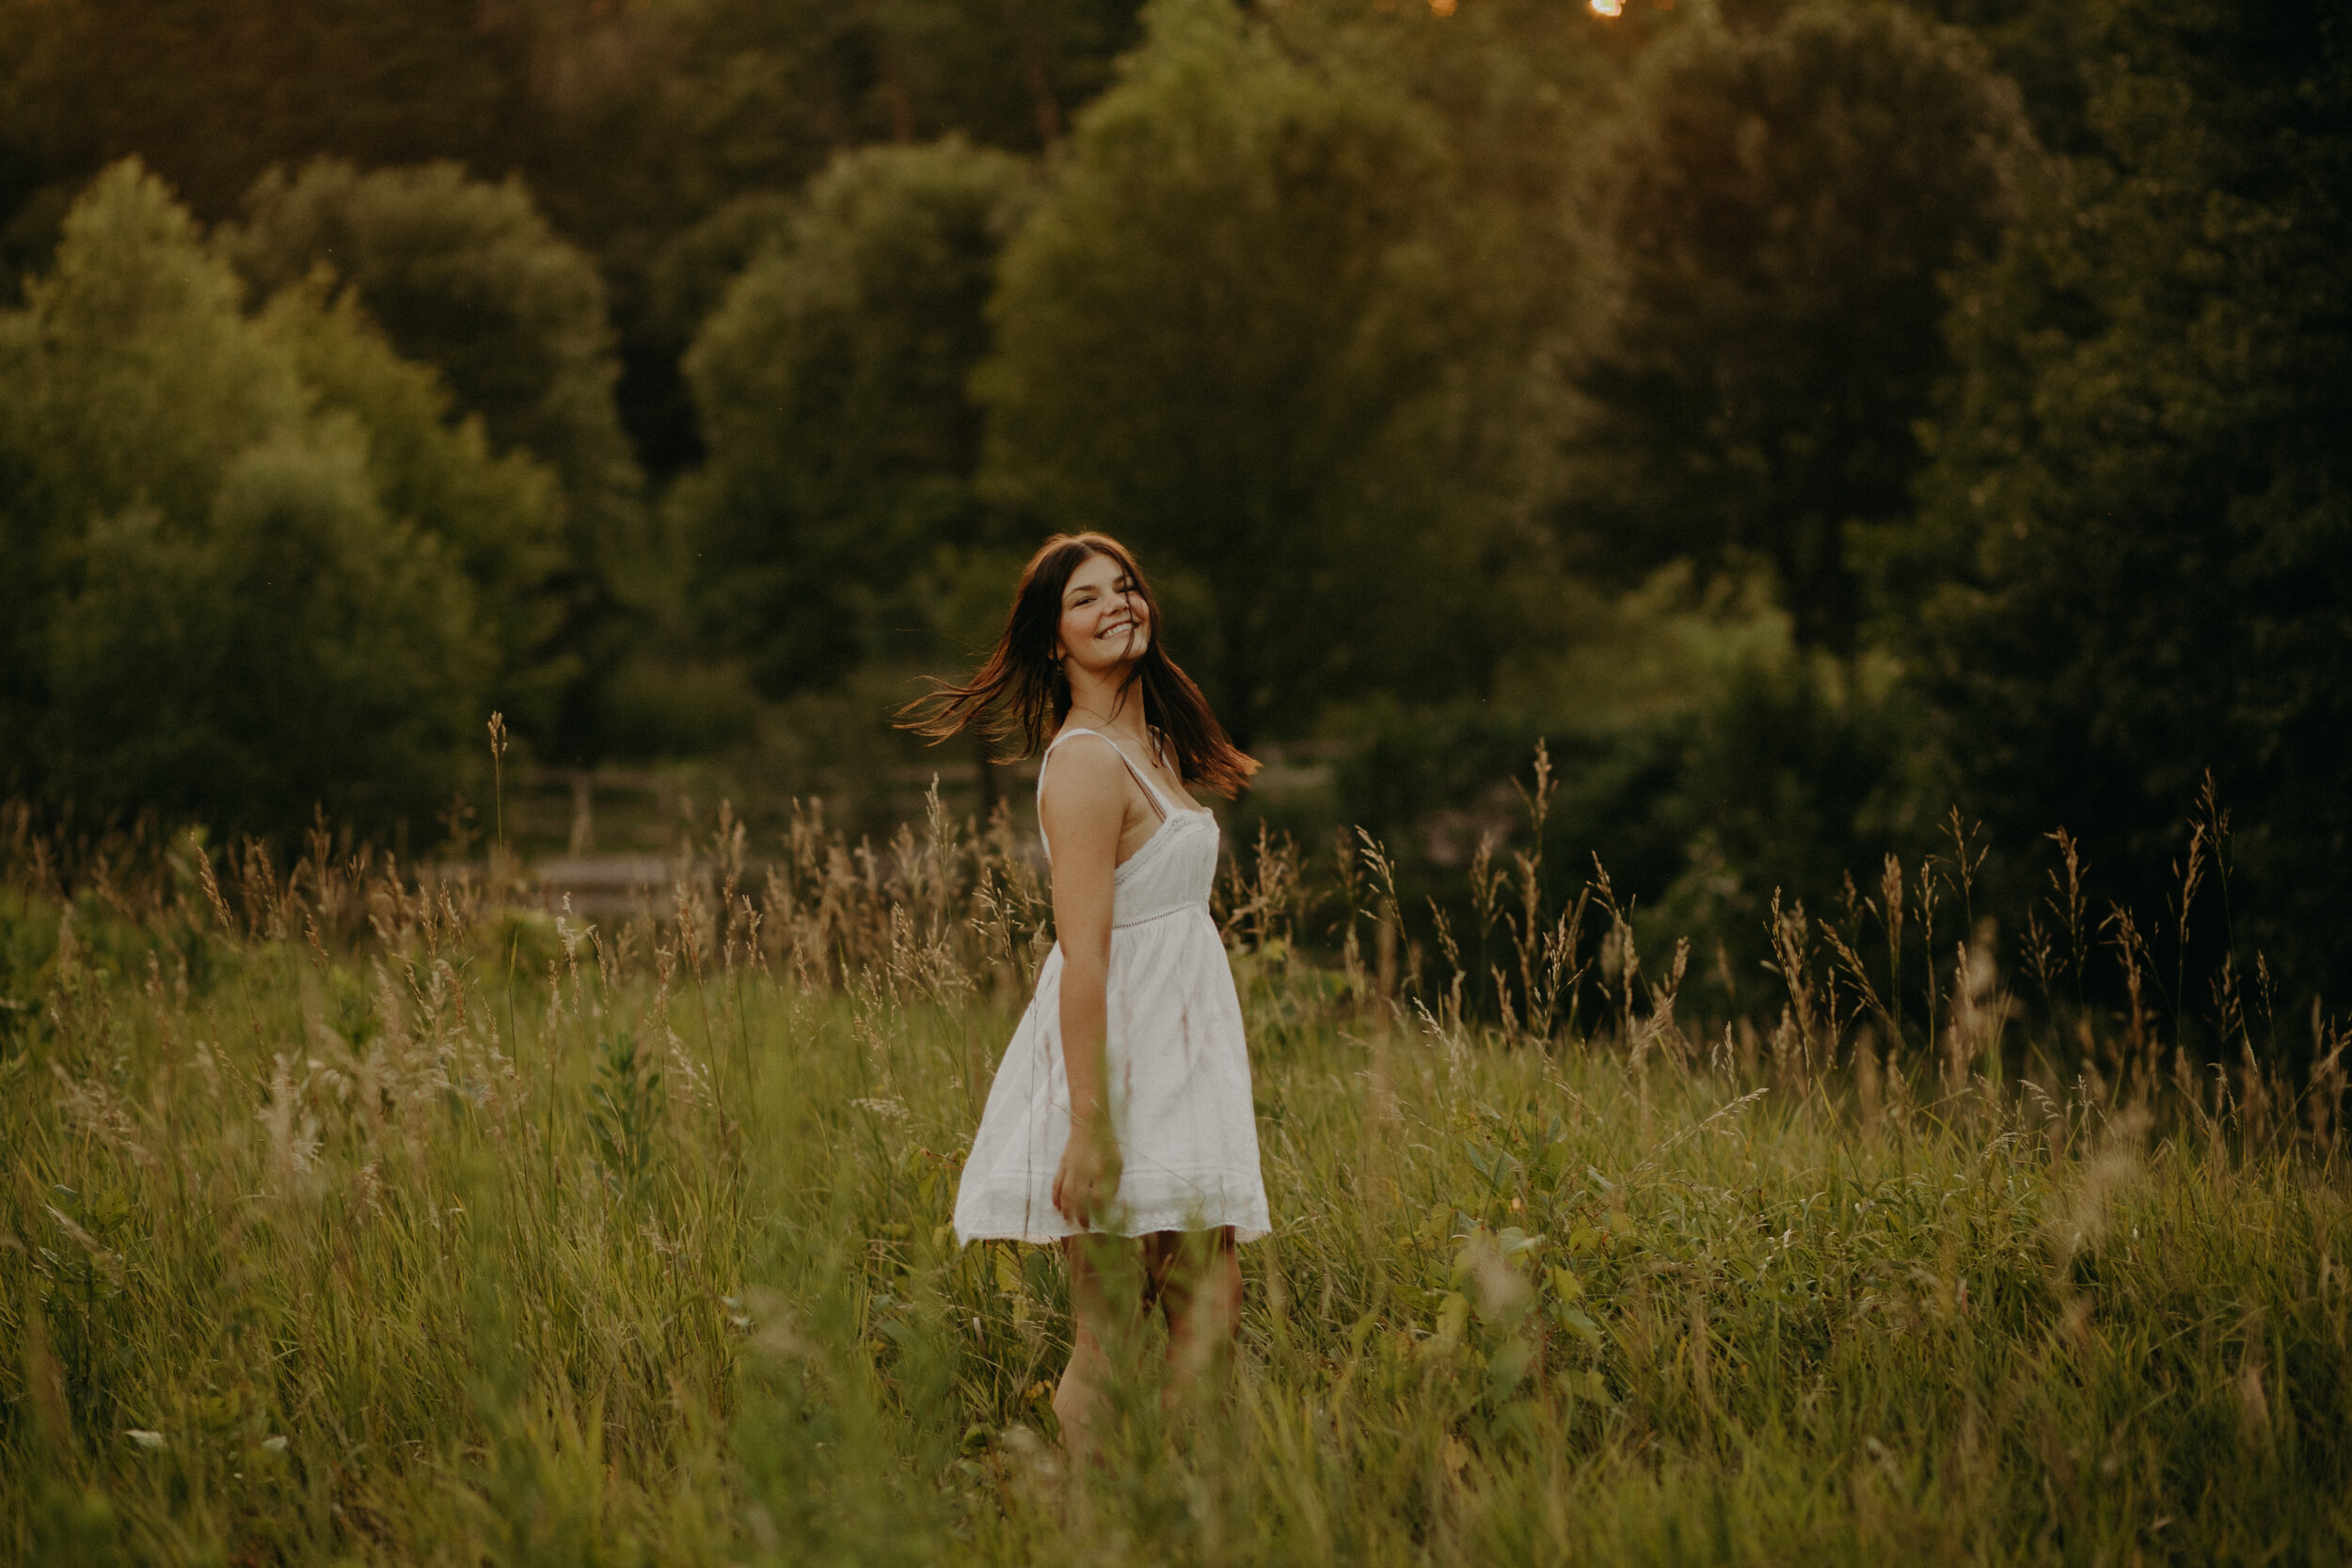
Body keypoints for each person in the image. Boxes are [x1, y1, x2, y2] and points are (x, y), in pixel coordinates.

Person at [899, 532, 1271, 1459]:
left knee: (1207, 1313)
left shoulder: (1141, 743)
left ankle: (1172, 1518)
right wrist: (1092, 1121)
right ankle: (1081, 1525)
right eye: (1086, 598)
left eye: (1127, 587)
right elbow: (1083, 954)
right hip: (1118, 1069)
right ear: (1053, 639)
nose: (1117, 604)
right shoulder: (1083, 763)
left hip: (1181, 1066)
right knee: (1111, 1331)